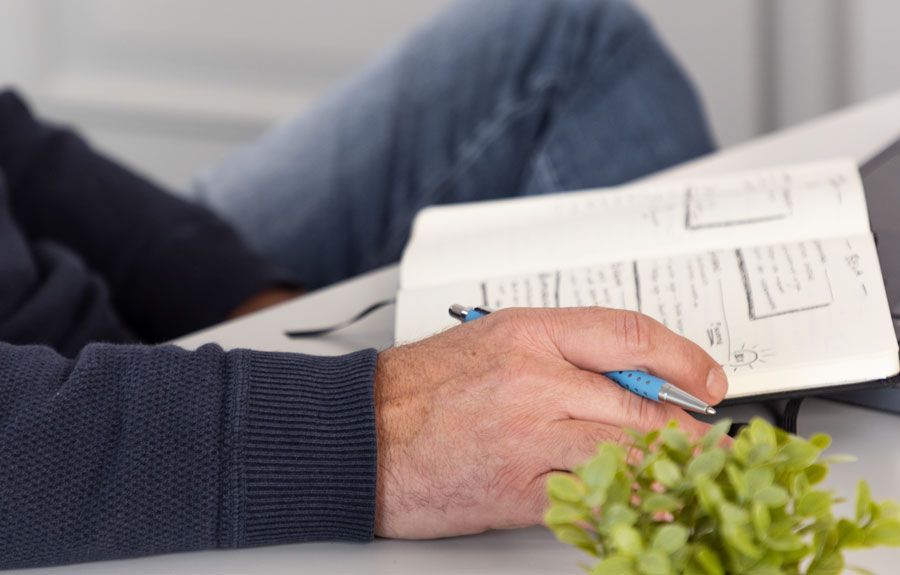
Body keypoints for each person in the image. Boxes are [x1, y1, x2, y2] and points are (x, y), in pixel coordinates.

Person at [0, 0, 725, 569]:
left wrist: (247, 301)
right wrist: (375, 429)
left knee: (569, 44)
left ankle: (678, 409)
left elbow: (14, 148)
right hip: (40, 449)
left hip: (70, 307)